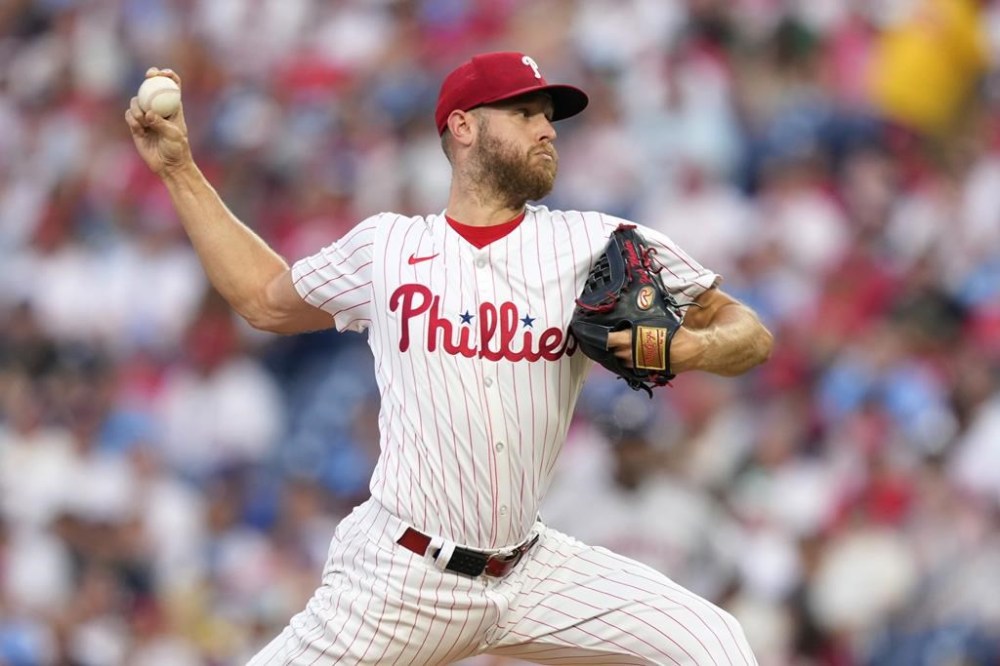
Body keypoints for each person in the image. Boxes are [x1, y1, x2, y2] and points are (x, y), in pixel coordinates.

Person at [126, 51, 773, 665]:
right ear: (463, 126)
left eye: (549, 116)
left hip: (532, 572)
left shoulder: (594, 243)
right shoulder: (387, 249)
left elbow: (748, 330)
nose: (546, 129)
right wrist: (180, 169)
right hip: (404, 576)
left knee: (713, 640)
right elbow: (262, 301)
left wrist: (693, 346)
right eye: (524, 114)